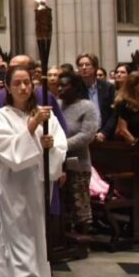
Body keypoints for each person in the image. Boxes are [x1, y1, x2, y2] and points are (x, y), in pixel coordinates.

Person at [0, 65, 67, 277]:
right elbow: (7, 152)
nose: (23, 88)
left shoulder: (45, 114)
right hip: (13, 188)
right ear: (8, 87)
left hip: (37, 186)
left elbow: (59, 147)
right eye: (18, 83)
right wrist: (31, 128)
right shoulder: (0, 117)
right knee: (19, 242)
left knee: (37, 243)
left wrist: (51, 146)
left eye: (27, 83)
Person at [57, 71, 100, 234]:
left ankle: (84, 237)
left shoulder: (87, 106)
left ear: (75, 87)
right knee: (64, 203)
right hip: (58, 162)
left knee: (79, 202)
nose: (60, 88)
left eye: (64, 85)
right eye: (59, 85)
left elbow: (86, 135)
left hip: (79, 162)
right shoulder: (58, 105)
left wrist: (60, 145)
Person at [77, 53, 116, 142]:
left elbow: (114, 114)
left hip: (105, 136)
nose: (83, 68)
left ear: (95, 67)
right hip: (83, 137)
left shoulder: (108, 87)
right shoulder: (75, 89)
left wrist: (104, 132)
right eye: (80, 65)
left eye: (87, 65)